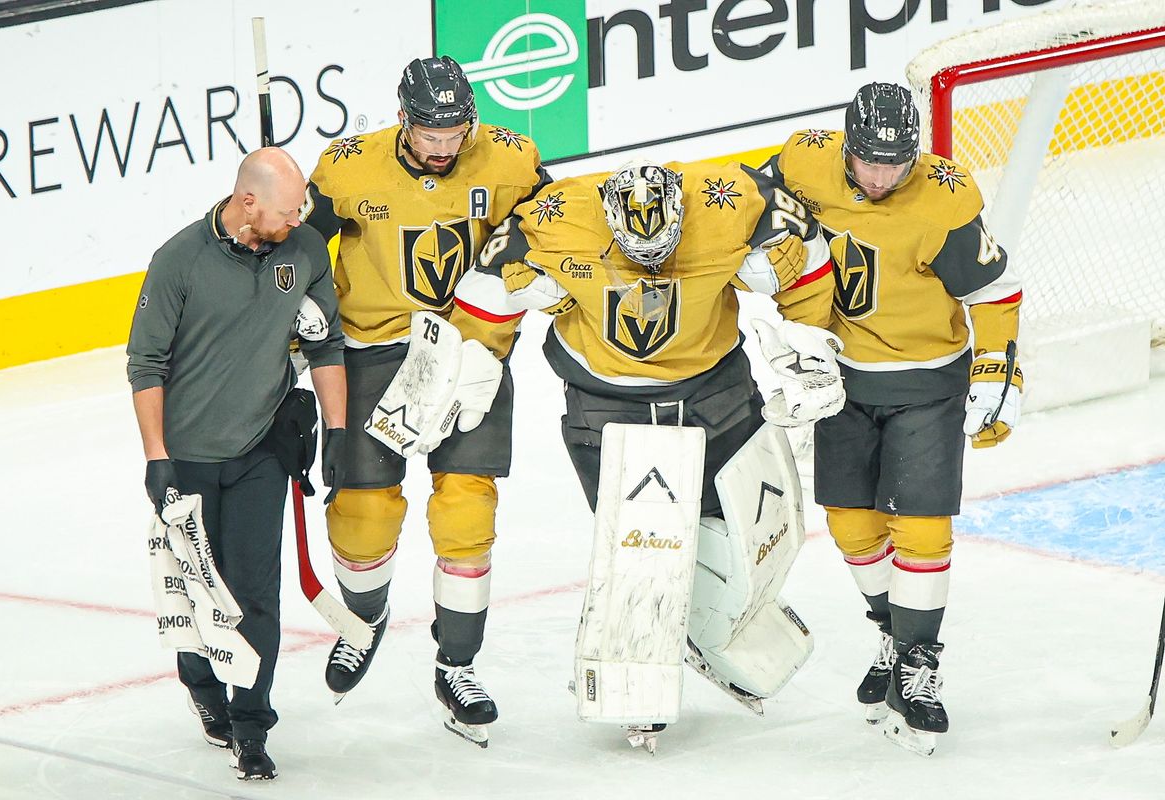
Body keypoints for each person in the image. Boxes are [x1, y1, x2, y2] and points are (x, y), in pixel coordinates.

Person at [448, 158, 842, 743]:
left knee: (753, 529)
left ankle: (708, 625)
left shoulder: (733, 202)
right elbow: (485, 296)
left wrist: (807, 335)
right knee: (643, 546)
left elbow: (805, 255)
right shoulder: (554, 224)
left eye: (664, 248)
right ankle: (638, 679)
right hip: (607, 403)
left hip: (716, 390)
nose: (652, 264)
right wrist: (476, 361)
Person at [761, 82, 1023, 753]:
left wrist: (1000, 367)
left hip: (928, 380)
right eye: (868, 162)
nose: (880, 177)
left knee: (923, 527)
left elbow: (994, 287)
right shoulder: (803, 160)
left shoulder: (945, 195)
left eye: (895, 164)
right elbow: (748, 210)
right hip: (840, 378)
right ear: (846, 146)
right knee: (851, 525)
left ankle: (919, 662)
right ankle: (893, 629)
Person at [301, 55, 550, 743]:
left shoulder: (509, 157)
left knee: (467, 502)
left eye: (456, 133)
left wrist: (507, 306)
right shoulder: (349, 166)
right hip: (373, 349)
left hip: (471, 349)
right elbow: (296, 250)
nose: (444, 148)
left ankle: (458, 663)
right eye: (429, 134)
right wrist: (289, 324)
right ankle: (364, 618)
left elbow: (554, 226)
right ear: (403, 119)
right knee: (362, 509)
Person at [127, 147, 347, 780]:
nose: (299, 218)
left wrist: (333, 433)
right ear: (248, 202)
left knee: (255, 595)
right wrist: (157, 458)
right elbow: (146, 364)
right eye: (286, 209)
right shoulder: (178, 260)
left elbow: (325, 344)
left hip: (258, 455)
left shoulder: (303, 249)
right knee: (200, 591)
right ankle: (203, 688)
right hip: (188, 459)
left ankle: (252, 723)